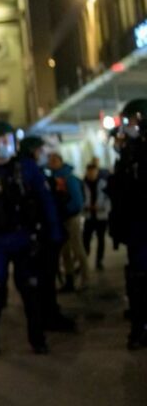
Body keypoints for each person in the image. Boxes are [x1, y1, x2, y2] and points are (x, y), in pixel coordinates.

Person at [0, 122, 60, 358]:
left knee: (30, 290)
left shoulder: (26, 168)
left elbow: (45, 201)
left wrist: (52, 232)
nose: (2, 145)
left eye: (6, 140)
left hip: (23, 236)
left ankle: (38, 339)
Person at [19, 137, 77, 333]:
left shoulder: (34, 171)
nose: (44, 154)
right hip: (42, 234)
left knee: (45, 278)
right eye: (41, 150)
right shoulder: (31, 172)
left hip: (42, 232)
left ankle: (48, 314)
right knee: (45, 278)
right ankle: (48, 316)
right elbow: (45, 203)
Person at [107, 99, 147, 350]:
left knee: (140, 277)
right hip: (136, 226)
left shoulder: (139, 152)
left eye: (130, 120)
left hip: (142, 226)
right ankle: (139, 324)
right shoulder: (131, 152)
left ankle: (140, 327)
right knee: (136, 277)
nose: (126, 126)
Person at [48, 153, 88, 292]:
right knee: (65, 251)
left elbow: (77, 202)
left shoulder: (69, 178)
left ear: (61, 161)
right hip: (61, 219)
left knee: (77, 249)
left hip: (71, 218)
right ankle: (69, 280)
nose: (52, 163)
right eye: (51, 161)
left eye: (55, 160)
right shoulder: (54, 178)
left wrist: (65, 211)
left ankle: (85, 279)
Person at [82, 163, 110, 271]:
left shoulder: (103, 183)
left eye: (93, 171)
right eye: (89, 172)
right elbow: (82, 198)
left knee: (101, 239)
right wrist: (86, 207)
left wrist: (101, 207)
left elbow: (108, 199)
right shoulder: (83, 184)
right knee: (86, 239)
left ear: (97, 172)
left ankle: (99, 261)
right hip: (89, 216)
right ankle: (85, 259)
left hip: (101, 216)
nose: (91, 174)